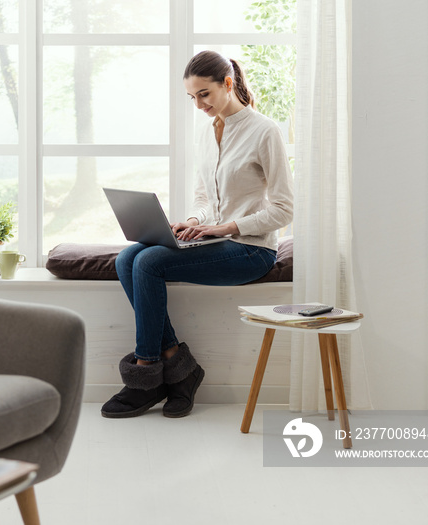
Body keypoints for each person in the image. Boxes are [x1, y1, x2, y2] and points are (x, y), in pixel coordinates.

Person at [101, 50, 293, 419]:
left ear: (227, 83)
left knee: (150, 262)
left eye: (204, 94)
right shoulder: (206, 133)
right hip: (216, 240)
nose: (199, 104)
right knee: (127, 258)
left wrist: (229, 226)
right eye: (192, 97)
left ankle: (146, 373)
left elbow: (285, 209)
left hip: (251, 250)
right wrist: (193, 220)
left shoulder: (264, 131)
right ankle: (179, 367)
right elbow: (206, 197)